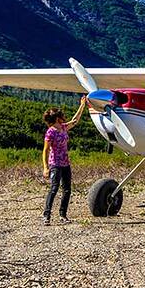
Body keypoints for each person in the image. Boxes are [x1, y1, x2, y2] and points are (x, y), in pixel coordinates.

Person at [41, 96, 87, 225]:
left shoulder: (63, 127)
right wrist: (45, 167)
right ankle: (47, 215)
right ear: (57, 118)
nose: (63, 117)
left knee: (67, 189)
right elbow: (45, 150)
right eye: (61, 116)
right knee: (54, 188)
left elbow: (75, 120)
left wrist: (82, 105)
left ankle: (63, 215)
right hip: (55, 164)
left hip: (65, 163)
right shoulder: (51, 132)